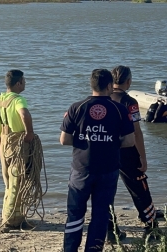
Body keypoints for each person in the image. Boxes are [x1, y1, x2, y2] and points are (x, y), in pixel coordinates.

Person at [60, 69, 136, 252]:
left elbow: (64, 139)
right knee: (100, 215)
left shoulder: (76, 107)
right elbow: (129, 141)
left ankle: (70, 249)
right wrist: (110, 141)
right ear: (110, 86)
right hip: (108, 170)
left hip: (81, 169)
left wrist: (85, 141)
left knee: (75, 213)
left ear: (91, 85)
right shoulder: (120, 110)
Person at [109, 66, 161, 239]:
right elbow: (136, 131)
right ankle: (151, 226)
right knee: (140, 188)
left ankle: (110, 229)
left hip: (105, 150)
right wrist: (143, 157)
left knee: (106, 190)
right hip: (127, 150)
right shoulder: (130, 102)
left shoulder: (103, 98)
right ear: (129, 81)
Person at [0, 69, 36, 231]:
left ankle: (9, 215)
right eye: (24, 81)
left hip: (4, 142)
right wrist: (29, 133)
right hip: (18, 142)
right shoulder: (18, 99)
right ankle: (12, 220)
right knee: (19, 181)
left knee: (8, 181)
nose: (25, 83)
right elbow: (25, 114)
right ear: (18, 83)